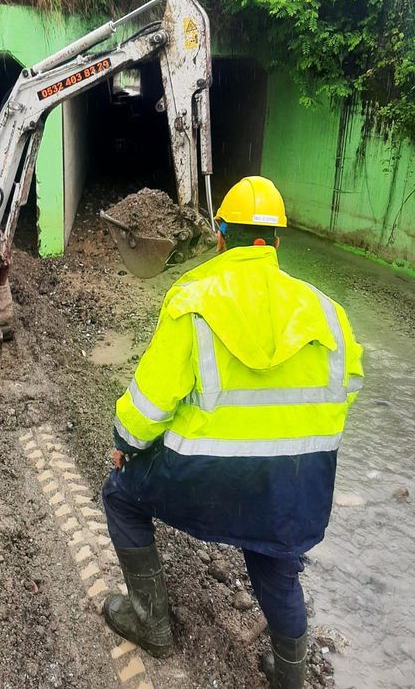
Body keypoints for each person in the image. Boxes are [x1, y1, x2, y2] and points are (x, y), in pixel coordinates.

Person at [101, 176, 364, 689]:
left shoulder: (192, 299)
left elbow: (150, 403)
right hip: (291, 484)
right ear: (278, 244)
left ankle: (151, 623)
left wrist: (125, 444)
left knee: (120, 496)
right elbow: (348, 385)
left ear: (221, 235)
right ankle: (290, 676)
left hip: (203, 483)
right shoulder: (329, 313)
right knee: (277, 555)